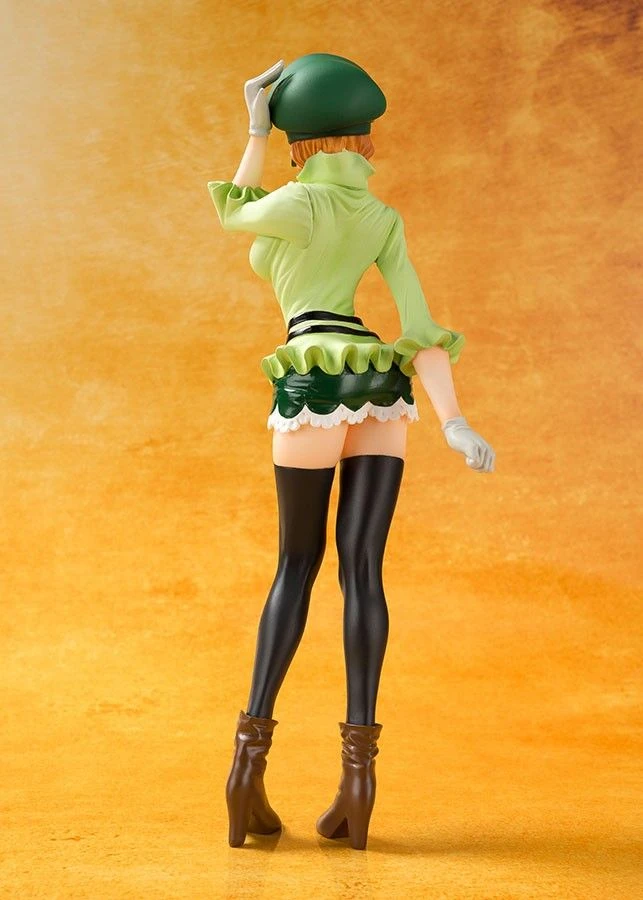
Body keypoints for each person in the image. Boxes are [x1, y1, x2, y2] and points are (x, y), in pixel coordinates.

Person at [207, 53, 495, 851]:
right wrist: (453, 421)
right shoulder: (378, 215)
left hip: (313, 375)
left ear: (298, 139)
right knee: (362, 571)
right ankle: (357, 786)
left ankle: (245, 771)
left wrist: (253, 129)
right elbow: (419, 326)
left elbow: (233, 213)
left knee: (295, 566)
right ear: (361, 138)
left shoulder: (296, 201)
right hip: (378, 383)